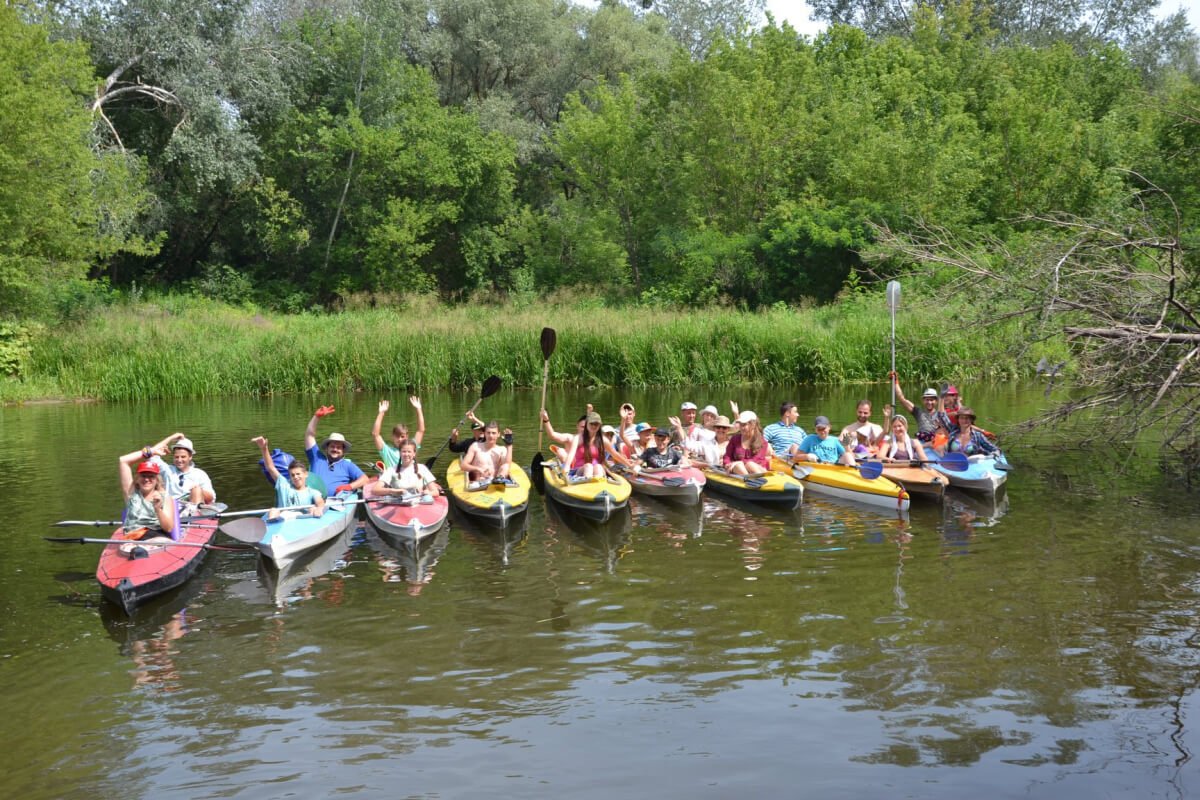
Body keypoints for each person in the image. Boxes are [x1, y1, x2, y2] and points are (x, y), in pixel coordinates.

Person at [252, 435, 325, 519]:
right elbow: (270, 467)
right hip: (282, 518)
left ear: (305, 474)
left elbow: (320, 502)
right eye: (292, 475)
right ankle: (271, 527)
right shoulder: (284, 484)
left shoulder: (312, 492)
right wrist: (264, 448)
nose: (295, 477)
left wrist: (319, 508)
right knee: (273, 510)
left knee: (313, 509)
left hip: (300, 519)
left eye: (298, 474)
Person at [304, 405, 370, 495]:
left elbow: (365, 479)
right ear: (327, 448)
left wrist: (349, 486)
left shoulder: (348, 465)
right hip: (311, 502)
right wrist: (316, 417)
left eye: (339, 447)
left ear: (343, 451)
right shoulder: (316, 458)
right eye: (332, 446)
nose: (335, 449)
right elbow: (309, 435)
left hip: (336, 504)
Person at [142, 432, 216, 509]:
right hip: (171, 509)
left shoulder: (200, 474)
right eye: (176, 457)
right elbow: (149, 454)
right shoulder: (167, 470)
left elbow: (211, 498)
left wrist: (198, 491)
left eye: (183, 457)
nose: (179, 460)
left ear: (190, 456)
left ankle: (193, 517)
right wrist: (170, 438)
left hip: (192, 509)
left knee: (196, 490)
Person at [117, 450, 177, 544]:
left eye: (151, 476)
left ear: (157, 480)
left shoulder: (164, 497)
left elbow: (169, 528)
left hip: (156, 536)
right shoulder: (131, 493)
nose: (146, 479)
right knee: (137, 552)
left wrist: (158, 509)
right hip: (133, 537)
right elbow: (123, 461)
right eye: (143, 476)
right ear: (137, 479)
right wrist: (151, 451)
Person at [564, 411, 630, 479]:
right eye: (591, 423)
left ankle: (598, 486)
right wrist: (566, 467)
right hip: (580, 471)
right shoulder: (578, 438)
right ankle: (587, 483)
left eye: (596, 424)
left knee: (598, 467)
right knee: (588, 466)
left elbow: (615, 454)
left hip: (598, 470)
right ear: (587, 424)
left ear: (599, 425)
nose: (593, 426)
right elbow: (571, 454)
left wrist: (630, 466)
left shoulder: (603, 440)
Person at [372, 396, 426, 469]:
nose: (400, 439)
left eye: (402, 436)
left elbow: (421, 430)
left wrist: (418, 409)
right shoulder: (387, 451)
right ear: (392, 437)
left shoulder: (412, 446)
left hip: (410, 477)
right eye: (397, 436)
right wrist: (381, 413)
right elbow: (375, 434)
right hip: (394, 478)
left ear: (407, 437)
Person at [377, 439, 441, 498]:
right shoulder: (391, 470)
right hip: (398, 502)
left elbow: (435, 492)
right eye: (404, 451)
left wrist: (428, 493)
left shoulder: (422, 468)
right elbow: (375, 490)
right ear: (400, 453)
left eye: (409, 452)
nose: (406, 454)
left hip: (418, 504)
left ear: (414, 454)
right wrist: (393, 491)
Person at [891, 372, 942, 442]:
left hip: (936, 442)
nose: (929, 402)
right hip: (922, 441)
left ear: (936, 401)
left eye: (932, 400)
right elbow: (902, 399)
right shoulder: (918, 412)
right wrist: (896, 382)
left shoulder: (941, 414)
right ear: (923, 401)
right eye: (927, 400)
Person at [723, 411, 771, 475]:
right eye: (740, 424)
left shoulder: (763, 442)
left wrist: (739, 462)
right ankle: (748, 480)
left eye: (744, 425)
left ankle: (754, 481)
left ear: (753, 425)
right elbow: (727, 455)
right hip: (740, 470)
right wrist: (727, 463)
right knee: (738, 466)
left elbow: (756, 460)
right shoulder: (734, 439)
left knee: (750, 465)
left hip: (758, 470)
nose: (741, 428)